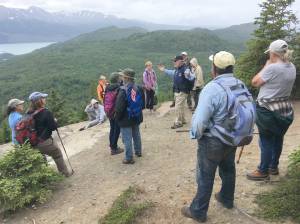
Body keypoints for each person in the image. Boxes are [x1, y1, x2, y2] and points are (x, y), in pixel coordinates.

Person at [182, 51, 251, 222]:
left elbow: (199, 122)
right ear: (231, 67)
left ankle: (198, 211)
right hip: (233, 137)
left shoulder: (212, 88)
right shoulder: (240, 84)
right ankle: (227, 199)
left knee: (206, 175)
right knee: (228, 169)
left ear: (214, 69)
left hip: (213, 141)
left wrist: (196, 135)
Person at [247, 40, 296, 181]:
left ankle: (263, 170)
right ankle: (273, 167)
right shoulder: (291, 66)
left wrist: (266, 66)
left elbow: (255, 82)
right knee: (278, 137)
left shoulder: (272, 68)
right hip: (284, 108)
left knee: (266, 140)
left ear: (272, 53)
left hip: (267, 109)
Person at [28, 91, 71, 177]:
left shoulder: (28, 113)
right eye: (43, 98)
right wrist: (54, 121)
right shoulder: (46, 112)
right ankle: (64, 174)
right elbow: (53, 127)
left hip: (32, 144)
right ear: (39, 101)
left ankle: (45, 179)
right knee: (57, 154)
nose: (45, 99)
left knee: (41, 160)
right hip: (45, 142)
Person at [115, 68, 143, 164]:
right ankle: (138, 151)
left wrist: (117, 118)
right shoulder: (138, 87)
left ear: (126, 78)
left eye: (123, 76)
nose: (122, 77)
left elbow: (119, 108)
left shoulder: (123, 90)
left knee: (127, 138)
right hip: (136, 116)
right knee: (136, 135)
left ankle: (129, 158)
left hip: (126, 119)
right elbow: (142, 103)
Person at [158, 55, 195, 129]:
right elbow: (172, 72)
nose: (174, 62)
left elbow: (192, 77)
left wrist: (189, 78)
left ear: (180, 61)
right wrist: (164, 70)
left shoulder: (185, 69)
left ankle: (178, 122)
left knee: (177, 106)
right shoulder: (177, 69)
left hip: (183, 91)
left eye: (175, 61)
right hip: (178, 91)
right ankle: (182, 120)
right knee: (180, 106)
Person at [104, 72, 124, 155]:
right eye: (119, 78)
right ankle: (114, 148)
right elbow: (119, 101)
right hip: (115, 111)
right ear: (117, 79)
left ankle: (112, 145)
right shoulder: (118, 88)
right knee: (117, 129)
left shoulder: (107, 87)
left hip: (108, 111)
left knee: (112, 129)